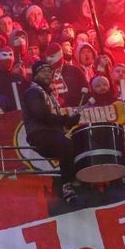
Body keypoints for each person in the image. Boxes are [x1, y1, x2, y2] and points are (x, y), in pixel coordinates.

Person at [22, 59, 81, 202]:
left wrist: (69, 122)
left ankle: (80, 178)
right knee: (64, 144)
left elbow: (54, 120)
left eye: (50, 72)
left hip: (53, 133)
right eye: (44, 71)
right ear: (35, 75)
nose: (48, 74)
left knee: (77, 143)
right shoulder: (32, 92)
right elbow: (40, 115)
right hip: (40, 134)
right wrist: (64, 120)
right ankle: (67, 184)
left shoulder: (48, 94)